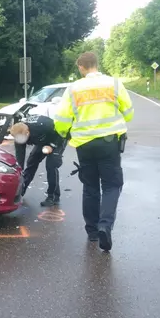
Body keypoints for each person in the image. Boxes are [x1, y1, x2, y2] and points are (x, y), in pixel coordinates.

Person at [53, 52, 134, 252]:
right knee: (111, 186)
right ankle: (105, 226)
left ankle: (92, 232)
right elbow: (129, 112)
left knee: (90, 187)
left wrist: (65, 133)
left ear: (81, 67)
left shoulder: (73, 89)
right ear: (97, 64)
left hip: (84, 145)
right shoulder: (114, 84)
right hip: (109, 144)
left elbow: (61, 119)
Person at [10, 114, 67, 207]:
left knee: (51, 165)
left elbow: (62, 133)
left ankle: (52, 197)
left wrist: (52, 146)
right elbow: (20, 160)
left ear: (28, 133)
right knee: (31, 162)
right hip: (42, 141)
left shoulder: (44, 126)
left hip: (57, 137)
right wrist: (19, 171)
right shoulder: (19, 135)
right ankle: (21, 191)